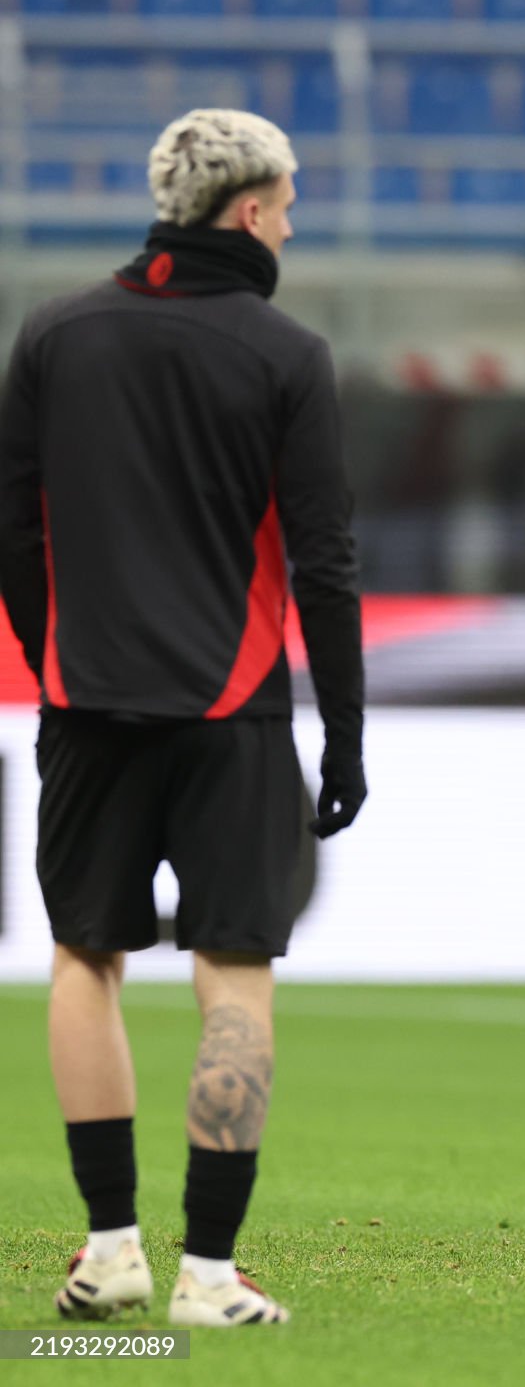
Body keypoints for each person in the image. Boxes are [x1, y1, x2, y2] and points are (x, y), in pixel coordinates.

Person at [0, 109, 365, 1328]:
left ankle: (110, 1250)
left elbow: (13, 528)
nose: (293, 226)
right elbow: (324, 560)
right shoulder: (285, 352)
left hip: (88, 706)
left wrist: (56, 659)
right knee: (235, 973)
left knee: (83, 957)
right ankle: (208, 1271)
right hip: (235, 712)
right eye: (290, 205)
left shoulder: (54, 333)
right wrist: (345, 733)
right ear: (249, 210)